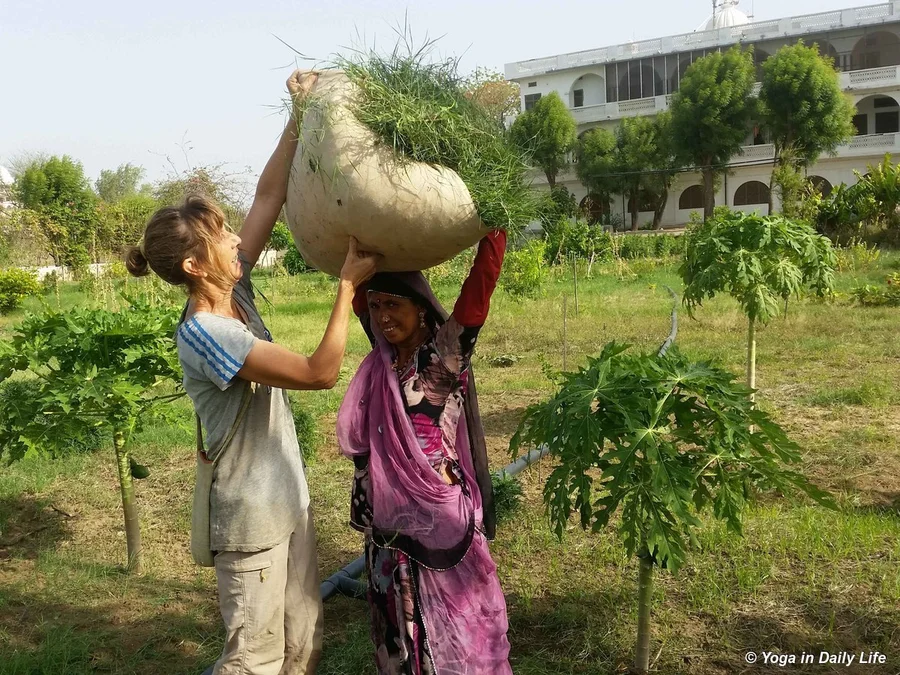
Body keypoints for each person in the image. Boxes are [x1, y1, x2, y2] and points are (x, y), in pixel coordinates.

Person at [125, 71, 379, 675]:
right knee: (254, 660)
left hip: (286, 503)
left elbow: (268, 196)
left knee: (303, 644)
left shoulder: (234, 290)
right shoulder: (209, 335)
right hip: (249, 527)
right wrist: (346, 290)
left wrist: (299, 112)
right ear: (193, 264)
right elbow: (319, 372)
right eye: (222, 238)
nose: (238, 241)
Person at [336, 229, 513, 675]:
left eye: (393, 305)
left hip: (438, 517)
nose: (382, 317)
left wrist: (495, 230)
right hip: (388, 526)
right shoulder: (382, 358)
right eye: (376, 307)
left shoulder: (443, 358)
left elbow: (478, 293)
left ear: (421, 308)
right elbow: (358, 296)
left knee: (454, 621)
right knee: (396, 625)